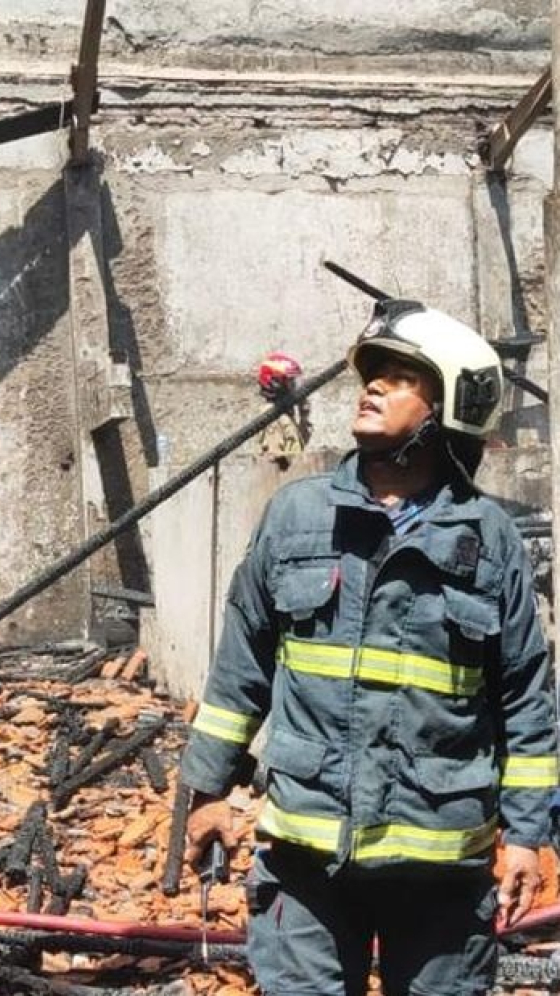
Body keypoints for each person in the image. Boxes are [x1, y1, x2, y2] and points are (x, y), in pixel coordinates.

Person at [178, 297, 559, 995]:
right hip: (307, 859)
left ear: (450, 406)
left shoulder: (488, 540)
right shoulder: (297, 516)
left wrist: (530, 837)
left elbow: (526, 702)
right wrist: (207, 791)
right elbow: (240, 670)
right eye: (372, 372)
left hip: (442, 869)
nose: (373, 386)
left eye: (403, 376)